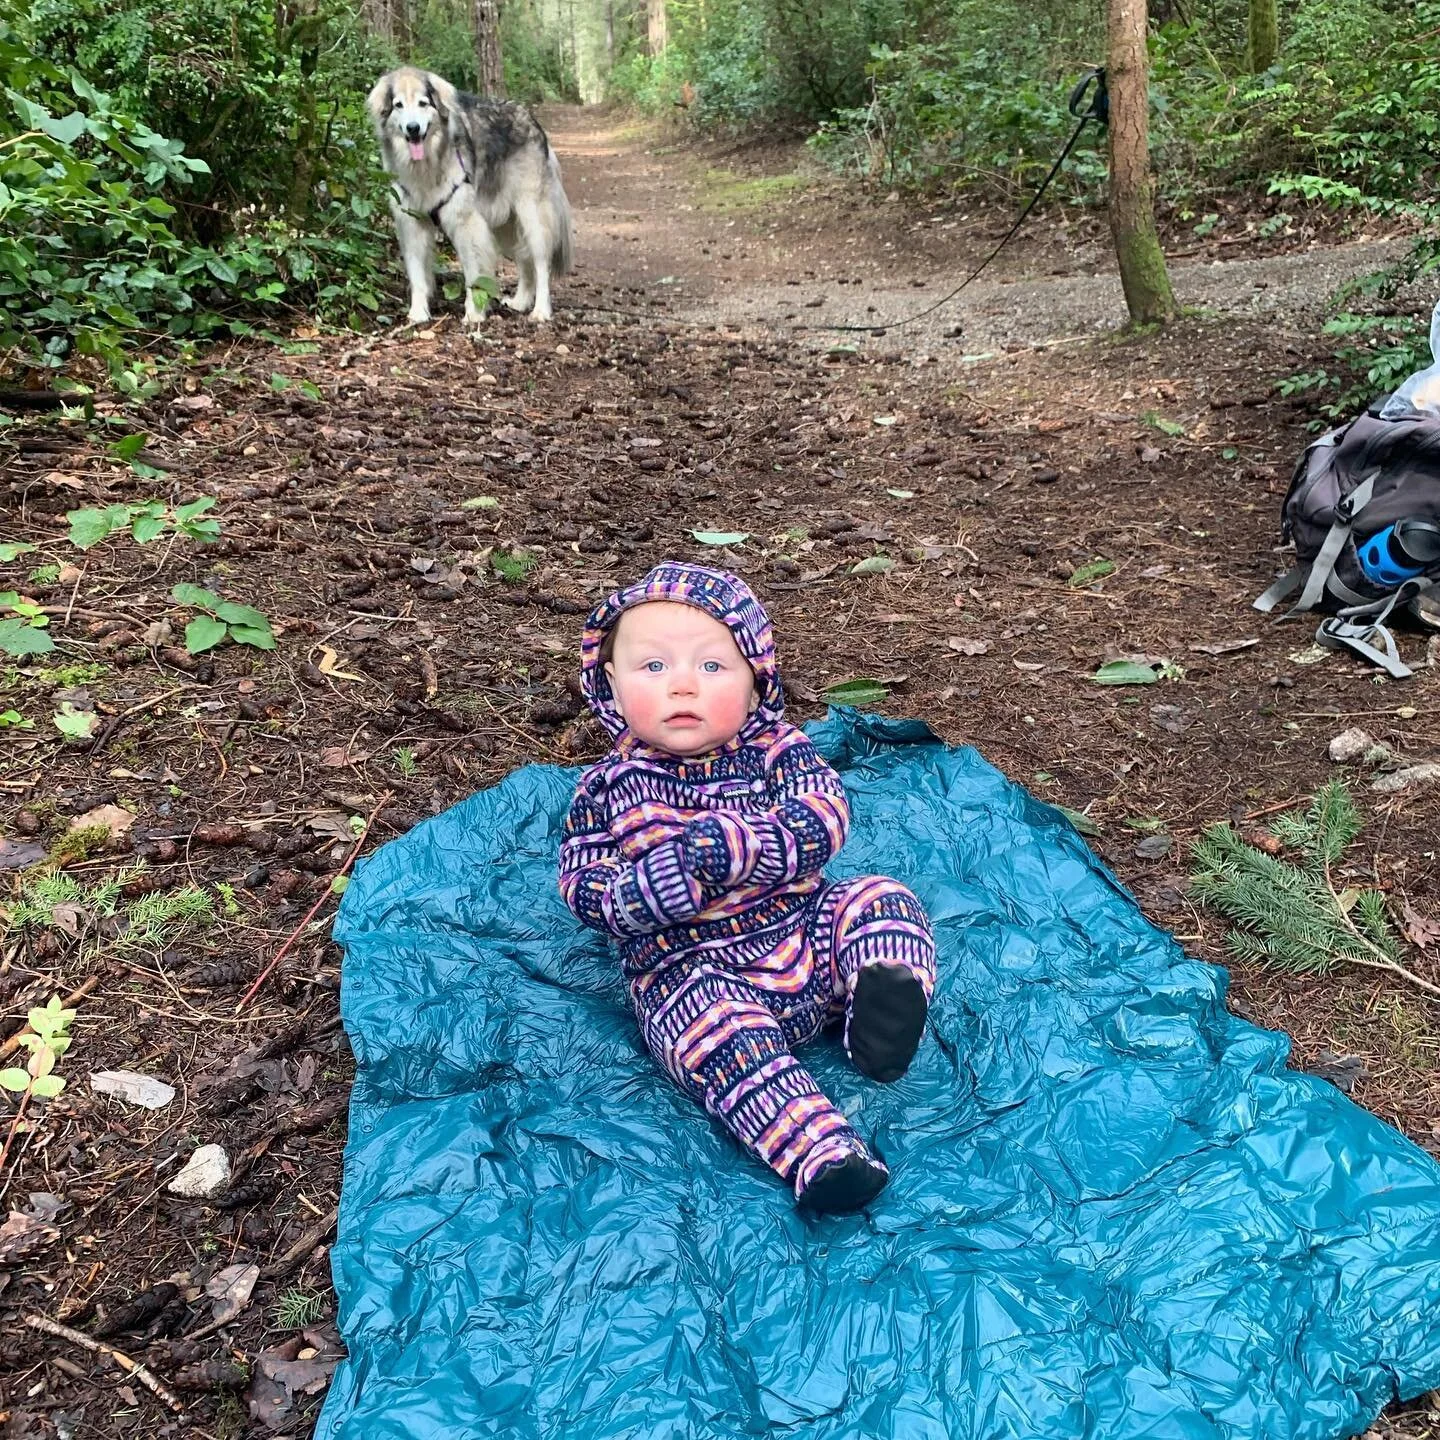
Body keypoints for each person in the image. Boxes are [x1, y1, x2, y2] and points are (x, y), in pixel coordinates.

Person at [557, 563, 936, 1213]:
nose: (682, 685)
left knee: (881, 899)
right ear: (609, 688)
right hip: (690, 963)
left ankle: (879, 1014)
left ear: (756, 680)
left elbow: (824, 814)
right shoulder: (605, 789)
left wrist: (742, 847)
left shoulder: (776, 751)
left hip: (801, 928)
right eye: (652, 668)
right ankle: (823, 1153)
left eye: (711, 667)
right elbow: (583, 884)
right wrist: (644, 891)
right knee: (714, 1034)